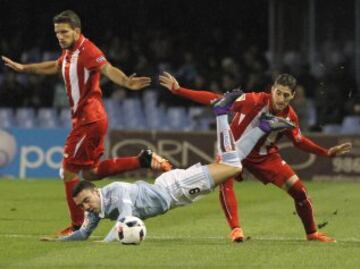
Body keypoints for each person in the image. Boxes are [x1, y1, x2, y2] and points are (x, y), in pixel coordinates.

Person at [1, 10, 172, 235]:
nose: (60, 37)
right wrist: (24, 68)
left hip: (89, 119)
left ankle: (77, 226)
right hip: (88, 119)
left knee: (67, 172)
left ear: (77, 31)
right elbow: (54, 66)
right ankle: (143, 160)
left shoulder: (87, 50)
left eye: (64, 32)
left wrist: (126, 83)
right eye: (57, 33)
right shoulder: (68, 53)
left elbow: (108, 68)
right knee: (90, 173)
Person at [42, 91, 294, 242]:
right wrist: (59, 241)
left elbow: (126, 219)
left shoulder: (117, 191)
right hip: (170, 188)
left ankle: (220, 113)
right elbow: (83, 233)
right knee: (232, 163)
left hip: (177, 189)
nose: (86, 207)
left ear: (96, 190)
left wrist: (106, 243)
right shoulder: (95, 210)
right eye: (82, 206)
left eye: (86, 201)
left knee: (232, 166)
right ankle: (262, 128)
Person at [159, 71, 352, 243]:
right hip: (234, 150)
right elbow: (217, 99)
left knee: (300, 192)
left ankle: (312, 233)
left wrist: (325, 152)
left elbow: (299, 141)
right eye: (278, 93)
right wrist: (179, 90)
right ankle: (236, 230)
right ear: (272, 90)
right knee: (225, 181)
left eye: (286, 95)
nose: (281, 99)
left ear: (293, 95)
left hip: (265, 156)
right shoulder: (253, 100)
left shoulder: (290, 116)